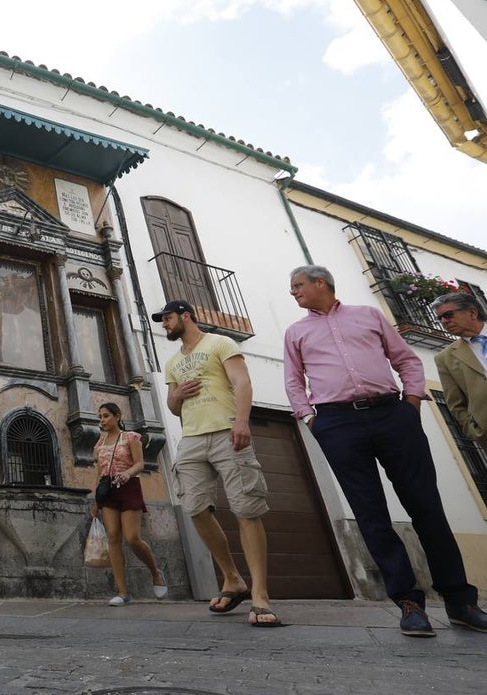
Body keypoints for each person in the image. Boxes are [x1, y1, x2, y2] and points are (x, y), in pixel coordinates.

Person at [284, 266, 487, 637]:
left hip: (392, 414)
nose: (293, 292)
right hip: (337, 424)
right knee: (370, 514)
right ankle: (409, 603)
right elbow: (294, 381)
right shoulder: (296, 332)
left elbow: (406, 360)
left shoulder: (369, 315)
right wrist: (311, 420)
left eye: (298, 285)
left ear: (320, 283)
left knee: (427, 507)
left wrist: (411, 404)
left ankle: (461, 602)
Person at [156, 300, 279, 627]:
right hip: (192, 439)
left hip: (227, 430)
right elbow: (173, 407)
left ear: (185, 316)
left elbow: (242, 382)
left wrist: (242, 421)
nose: (165, 324)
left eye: (168, 318)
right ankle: (232, 579)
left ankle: (260, 595)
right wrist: (178, 393)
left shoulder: (220, 343)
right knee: (194, 507)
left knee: (246, 508)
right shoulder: (172, 362)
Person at [89, 402, 168, 606]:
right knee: (113, 538)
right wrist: (97, 500)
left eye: (106, 416)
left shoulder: (131, 437)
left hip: (128, 486)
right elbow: (100, 472)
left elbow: (140, 463)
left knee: (132, 538)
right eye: (100, 417)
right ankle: (122, 592)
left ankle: (155, 572)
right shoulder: (99, 444)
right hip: (108, 490)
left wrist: (127, 473)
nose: (102, 420)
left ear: (117, 416)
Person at [433, 292, 487, 448]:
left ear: (472, 312)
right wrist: (477, 432)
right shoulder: (445, 358)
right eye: (440, 318)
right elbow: (456, 405)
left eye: (448, 315)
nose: (444, 321)